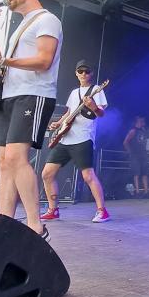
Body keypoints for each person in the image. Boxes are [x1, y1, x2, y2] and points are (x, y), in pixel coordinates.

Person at [0, 0, 62, 242]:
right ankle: (4, 221)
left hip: (33, 96)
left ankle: (36, 226)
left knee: (17, 158)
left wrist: (3, 58)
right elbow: (16, 64)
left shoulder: (47, 19)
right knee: (4, 162)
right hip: (10, 96)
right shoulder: (20, 26)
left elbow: (44, 60)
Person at [40, 60, 110, 223]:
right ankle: (53, 209)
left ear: (91, 73)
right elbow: (69, 113)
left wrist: (93, 106)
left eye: (86, 71)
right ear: (76, 73)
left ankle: (102, 211)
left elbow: (101, 114)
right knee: (47, 174)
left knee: (88, 176)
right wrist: (58, 123)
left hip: (83, 138)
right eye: (80, 71)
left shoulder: (96, 90)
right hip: (65, 138)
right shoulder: (74, 93)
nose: (83, 74)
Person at [123, 116, 149, 196]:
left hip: (144, 155)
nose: (144, 123)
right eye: (142, 121)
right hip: (135, 155)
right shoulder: (133, 131)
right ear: (138, 121)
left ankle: (146, 191)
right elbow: (125, 142)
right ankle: (137, 192)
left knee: (145, 173)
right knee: (136, 173)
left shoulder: (144, 131)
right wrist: (130, 152)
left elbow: (147, 141)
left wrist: (148, 151)